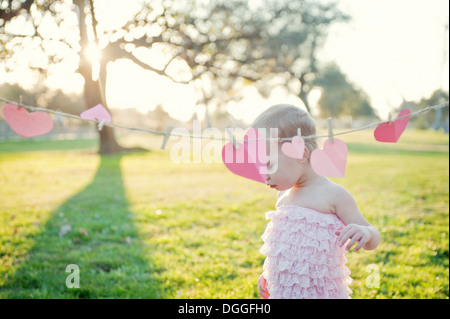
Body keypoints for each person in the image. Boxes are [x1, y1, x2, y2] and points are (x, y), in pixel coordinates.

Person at [253, 104, 380, 299]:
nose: (263, 176)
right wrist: (270, 273)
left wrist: (365, 232)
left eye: (269, 164)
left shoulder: (334, 195)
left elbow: (373, 239)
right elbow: (283, 247)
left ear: (300, 153)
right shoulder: (283, 196)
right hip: (286, 292)